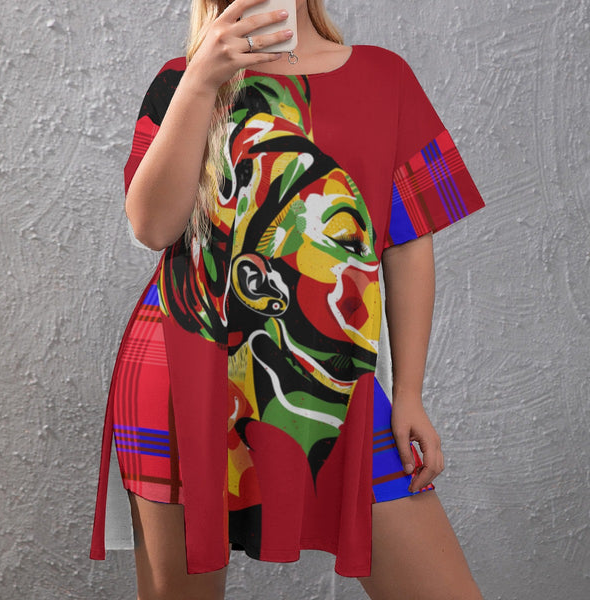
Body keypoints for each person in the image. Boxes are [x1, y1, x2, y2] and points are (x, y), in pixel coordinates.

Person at [90, 0, 486, 598]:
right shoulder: (180, 80)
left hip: (339, 383)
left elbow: (407, 245)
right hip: (177, 369)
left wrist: (408, 393)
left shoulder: (385, 77)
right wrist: (202, 80)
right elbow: (152, 227)